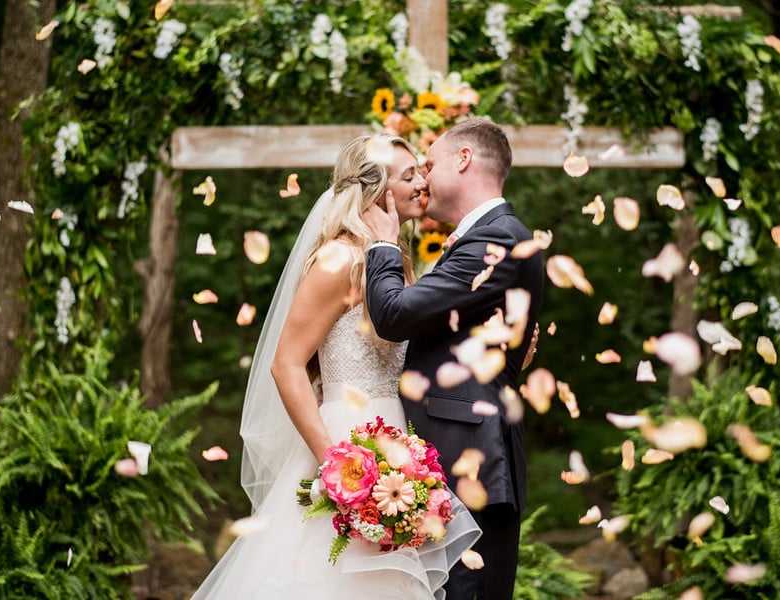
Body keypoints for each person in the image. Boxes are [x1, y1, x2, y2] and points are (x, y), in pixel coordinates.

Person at [191, 133, 481, 599]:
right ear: (374, 190)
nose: (422, 181)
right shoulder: (339, 259)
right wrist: (333, 461)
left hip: (396, 442)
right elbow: (286, 363)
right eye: (408, 176)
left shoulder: (393, 263)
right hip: (345, 443)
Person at [362, 118, 545, 600]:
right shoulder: (480, 239)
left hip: (473, 466)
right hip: (453, 459)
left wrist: (382, 242)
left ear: (463, 160)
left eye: (430, 164)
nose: (422, 179)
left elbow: (395, 315)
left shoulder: (496, 239)